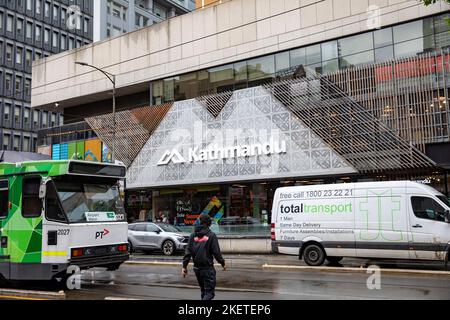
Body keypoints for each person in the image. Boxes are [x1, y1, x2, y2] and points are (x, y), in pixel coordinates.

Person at [182, 214, 226, 300]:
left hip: (197, 269)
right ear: (209, 223)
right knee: (209, 293)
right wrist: (222, 263)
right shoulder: (211, 235)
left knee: (203, 291)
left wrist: (184, 267)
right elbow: (216, 252)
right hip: (207, 269)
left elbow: (187, 252)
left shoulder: (193, 235)